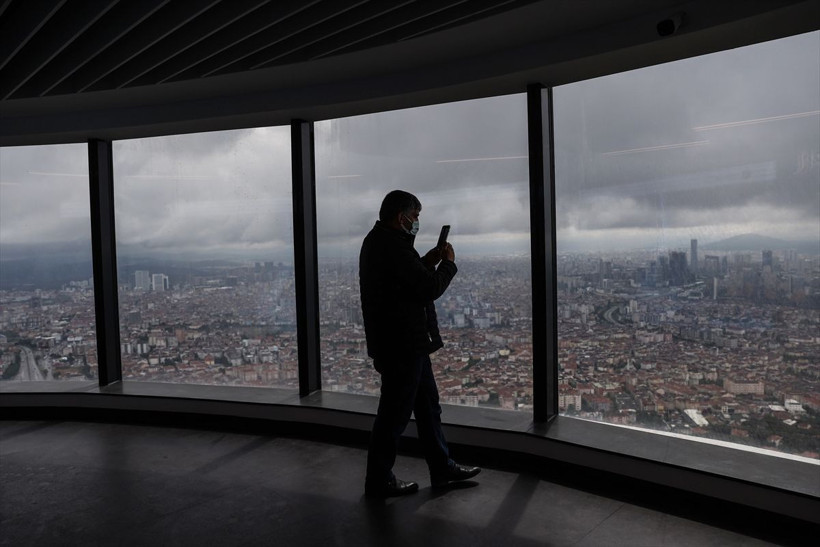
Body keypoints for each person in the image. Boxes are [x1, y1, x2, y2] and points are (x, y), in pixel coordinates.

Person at [360, 190, 480, 498]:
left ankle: (442, 465)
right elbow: (427, 288)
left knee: (427, 407)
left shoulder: (381, 242)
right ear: (401, 217)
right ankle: (379, 478)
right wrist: (448, 265)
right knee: (395, 414)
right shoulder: (394, 248)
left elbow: (405, 282)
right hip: (401, 344)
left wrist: (428, 259)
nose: (417, 222)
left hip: (406, 342)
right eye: (414, 216)